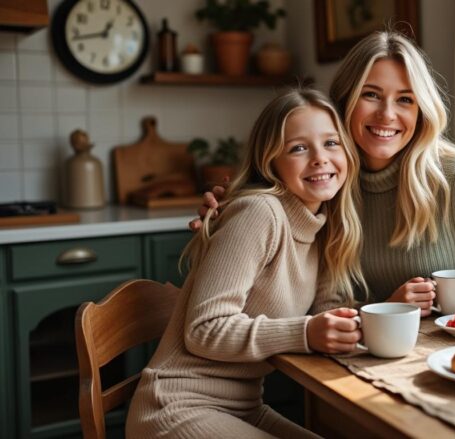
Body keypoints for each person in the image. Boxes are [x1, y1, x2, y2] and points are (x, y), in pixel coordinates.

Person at [192, 31, 455, 317]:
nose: (387, 115)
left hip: (441, 355)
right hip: (354, 358)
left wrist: (447, 300)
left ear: (421, 111)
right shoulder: (325, 184)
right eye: (371, 95)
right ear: (345, 101)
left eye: (405, 99)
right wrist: (229, 206)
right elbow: (268, 226)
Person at [126, 88, 364, 438]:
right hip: (177, 409)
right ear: (271, 163)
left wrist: (385, 313)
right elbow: (203, 330)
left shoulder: (323, 226)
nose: (319, 158)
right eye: (298, 148)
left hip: (243, 410)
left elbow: (327, 311)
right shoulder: (260, 213)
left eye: (331, 143)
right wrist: (307, 332)